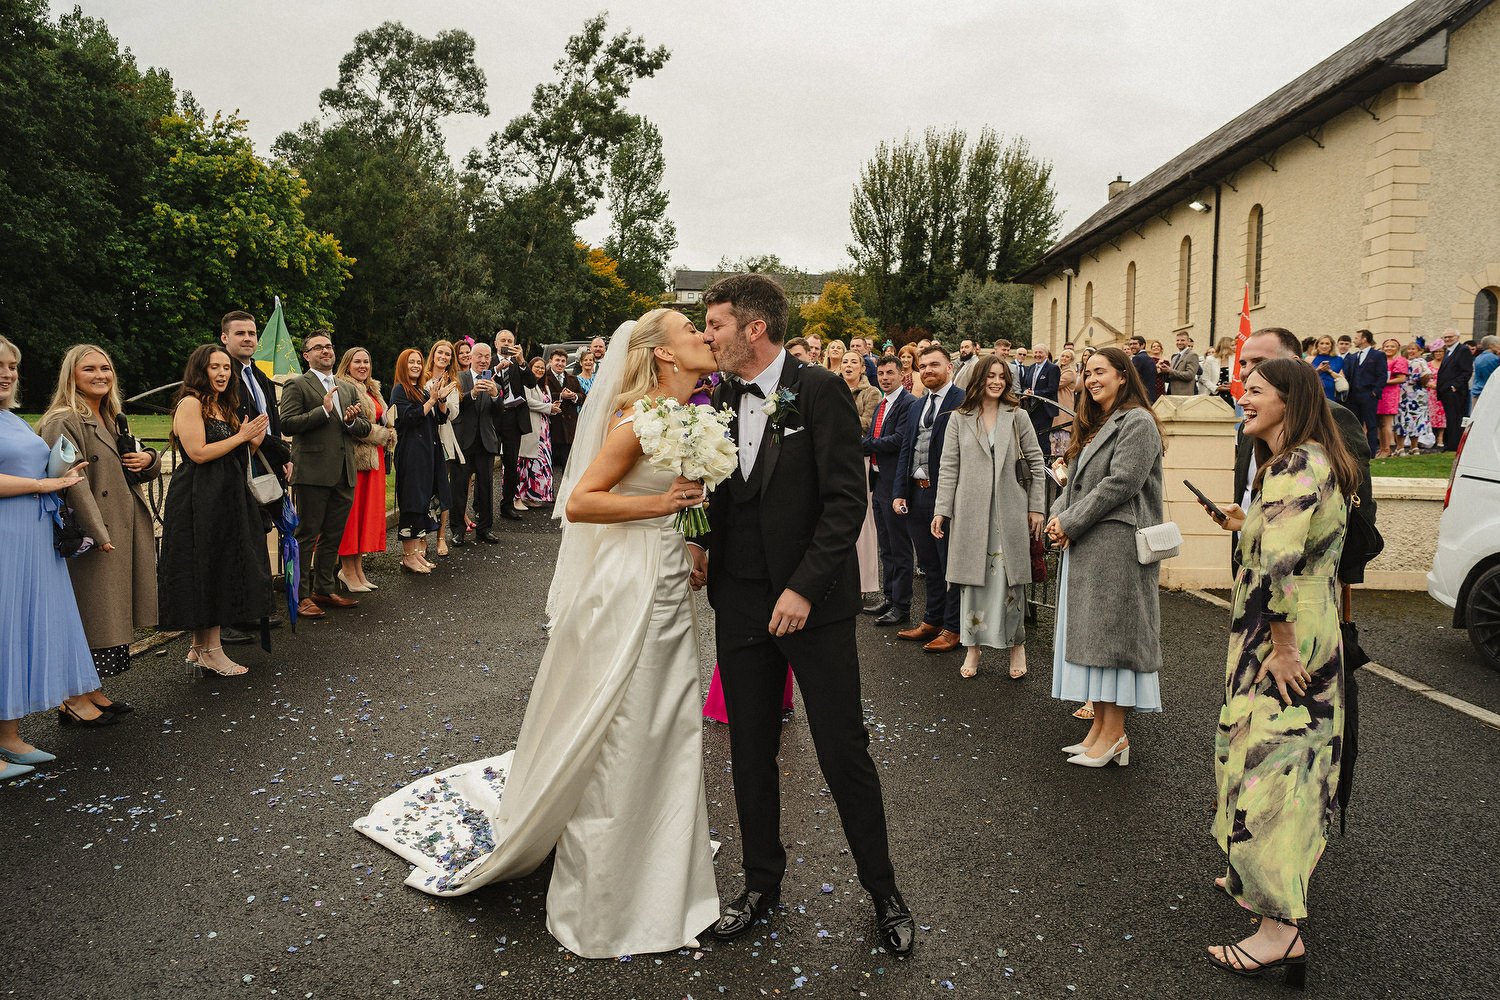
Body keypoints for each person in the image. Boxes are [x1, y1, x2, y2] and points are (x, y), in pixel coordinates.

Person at [357, 308, 721, 959]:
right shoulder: (637, 418)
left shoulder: (688, 415)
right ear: (665, 355)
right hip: (629, 583)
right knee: (631, 718)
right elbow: (582, 501)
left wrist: (693, 542)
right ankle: (612, 889)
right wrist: (659, 506)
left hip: (668, 579)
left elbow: (684, 493)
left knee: (668, 722)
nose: (704, 338)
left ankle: (665, 865)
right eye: (692, 331)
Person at [697, 273, 914, 956]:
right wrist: (700, 543)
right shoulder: (722, 397)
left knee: (842, 748)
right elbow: (722, 493)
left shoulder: (820, 392)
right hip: (737, 598)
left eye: (717, 326)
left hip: (810, 608)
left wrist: (803, 589)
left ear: (753, 329)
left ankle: (884, 891)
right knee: (750, 749)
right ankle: (761, 884)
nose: (709, 337)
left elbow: (846, 503)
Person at [1201, 358, 1358, 985]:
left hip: (1286, 636)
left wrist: (1284, 648)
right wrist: (1245, 523)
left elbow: (1284, 567)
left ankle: (1279, 932)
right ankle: (1253, 876)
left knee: (1275, 770)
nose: (1244, 398)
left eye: (1256, 391)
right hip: (1294, 627)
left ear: (1288, 400)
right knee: (1263, 756)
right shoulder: (1309, 459)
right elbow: (1287, 541)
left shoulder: (1294, 465)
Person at [1045, 346, 1164, 767]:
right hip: (1092, 544)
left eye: (1100, 371)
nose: (1092, 379)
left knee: (1113, 640)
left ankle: (1114, 735)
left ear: (1122, 376)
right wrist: (1057, 519)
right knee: (1097, 639)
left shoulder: (1138, 422)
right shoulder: (1094, 424)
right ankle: (1099, 731)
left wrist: (1070, 522)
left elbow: (1121, 484)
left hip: (1118, 547)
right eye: (1087, 372)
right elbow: (1073, 485)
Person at [38, 344, 161, 719]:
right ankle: (72, 698)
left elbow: (134, 462)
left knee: (106, 612)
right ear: (71, 375)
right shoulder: (64, 419)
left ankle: (91, 689)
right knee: (90, 612)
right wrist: (97, 531)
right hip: (94, 533)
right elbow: (70, 479)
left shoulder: (111, 416)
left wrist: (149, 460)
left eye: (105, 368)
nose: (100, 375)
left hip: (122, 523)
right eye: (88, 369)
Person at [1, 335, 103, 773]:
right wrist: (47, 484)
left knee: (18, 632)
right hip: (6, 538)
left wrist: (60, 471)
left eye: (12, 366)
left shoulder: (12, 420)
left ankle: (9, 737)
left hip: (32, 536)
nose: (7, 374)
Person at [157, 345, 272, 676]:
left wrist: (251, 440)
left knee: (217, 565)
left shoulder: (222, 405)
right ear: (199, 371)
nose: (222, 373)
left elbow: (232, 451)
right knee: (204, 566)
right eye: (214, 367)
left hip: (225, 494)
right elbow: (198, 452)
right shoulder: (190, 403)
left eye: (226, 368)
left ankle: (200, 647)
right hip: (199, 497)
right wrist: (242, 438)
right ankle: (211, 650)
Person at [932, 354, 1046, 680]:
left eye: (1001, 377)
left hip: (1009, 512)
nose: (996, 382)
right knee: (974, 584)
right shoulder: (959, 418)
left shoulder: (1018, 416)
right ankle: (973, 648)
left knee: (1010, 584)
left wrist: (1036, 507)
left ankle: (1016, 645)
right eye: (990, 376)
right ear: (978, 380)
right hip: (971, 514)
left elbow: (1036, 464)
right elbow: (949, 468)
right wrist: (942, 510)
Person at [280, 330, 371, 616]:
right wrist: (323, 410)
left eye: (329, 346)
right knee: (307, 534)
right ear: (306, 355)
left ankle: (324, 588)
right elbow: (288, 424)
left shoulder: (346, 388)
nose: (325, 351)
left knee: (333, 535)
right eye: (318, 348)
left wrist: (350, 422)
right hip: (313, 473)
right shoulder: (298, 385)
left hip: (344, 473)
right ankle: (300, 595)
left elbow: (365, 427)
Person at [219, 310, 290, 646]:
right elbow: (240, 427)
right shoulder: (223, 374)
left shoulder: (257, 375)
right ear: (224, 338)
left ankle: (251, 609)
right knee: (234, 540)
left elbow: (269, 423)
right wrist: (280, 452)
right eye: (240, 333)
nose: (248, 338)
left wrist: (280, 461)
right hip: (234, 466)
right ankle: (228, 619)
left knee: (257, 535)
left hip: (263, 464)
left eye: (251, 333)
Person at [892, 345, 964, 653]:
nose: (929, 370)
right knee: (930, 563)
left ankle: (954, 627)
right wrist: (898, 491)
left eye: (935, 364)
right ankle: (932, 619)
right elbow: (907, 449)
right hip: (916, 492)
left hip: (946, 494)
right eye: (924, 366)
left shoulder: (961, 401)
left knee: (951, 565)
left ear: (950, 368)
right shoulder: (916, 406)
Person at [332, 347, 394, 590]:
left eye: (366, 362)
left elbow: (383, 417)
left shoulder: (372, 388)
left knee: (367, 516)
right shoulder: (344, 387)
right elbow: (350, 423)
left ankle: (358, 570)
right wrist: (382, 434)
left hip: (374, 459)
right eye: (357, 361)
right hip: (356, 460)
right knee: (352, 516)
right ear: (347, 364)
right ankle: (347, 570)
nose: (362, 366)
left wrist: (389, 432)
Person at [862, 355, 915, 626]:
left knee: (900, 547)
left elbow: (899, 440)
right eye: (881, 373)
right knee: (886, 546)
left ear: (901, 374)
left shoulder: (908, 404)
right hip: (879, 482)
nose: (884, 377)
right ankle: (889, 596)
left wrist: (865, 445)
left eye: (890, 373)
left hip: (896, 483)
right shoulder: (882, 404)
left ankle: (902, 605)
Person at [390, 348, 451, 574]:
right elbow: (409, 417)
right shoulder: (400, 390)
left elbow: (440, 418)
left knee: (422, 502)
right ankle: (407, 556)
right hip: (411, 454)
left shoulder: (420, 390)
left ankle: (416, 553)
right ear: (403, 366)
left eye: (418, 362)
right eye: (411, 362)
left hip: (428, 452)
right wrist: (432, 400)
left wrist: (440, 400)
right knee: (412, 503)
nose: (416, 365)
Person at [449, 342, 501, 545]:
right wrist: (472, 394)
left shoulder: (494, 383)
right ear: (470, 357)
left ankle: (485, 529)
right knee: (459, 488)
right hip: (463, 441)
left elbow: (499, 414)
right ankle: (457, 531)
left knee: (486, 488)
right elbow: (455, 407)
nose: (483, 360)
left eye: (487, 357)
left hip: (486, 442)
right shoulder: (459, 379)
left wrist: (496, 396)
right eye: (479, 356)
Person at [493, 329, 537, 519]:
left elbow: (532, 383)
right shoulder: (489, 361)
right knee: (484, 464)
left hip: (513, 418)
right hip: (492, 418)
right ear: (495, 343)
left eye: (510, 340)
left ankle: (507, 504)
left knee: (511, 464)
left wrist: (521, 362)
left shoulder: (518, 364)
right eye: (503, 340)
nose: (506, 343)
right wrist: (496, 370)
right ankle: (480, 507)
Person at [425, 340, 464, 556]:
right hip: (424, 437)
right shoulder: (422, 377)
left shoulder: (453, 382)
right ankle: (421, 538)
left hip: (444, 438)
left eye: (448, 354)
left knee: (443, 489)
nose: (444, 357)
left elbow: (455, 413)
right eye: (440, 352)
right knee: (423, 490)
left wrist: (443, 400)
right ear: (433, 354)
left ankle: (441, 537)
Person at [517, 356, 555, 506]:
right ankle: (524, 495)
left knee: (541, 463)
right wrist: (549, 407)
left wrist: (553, 407)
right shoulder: (527, 383)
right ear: (530, 368)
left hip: (544, 429)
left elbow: (546, 403)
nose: (539, 370)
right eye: (536, 367)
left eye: (542, 367)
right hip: (531, 426)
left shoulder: (544, 386)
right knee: (528, 463)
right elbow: (528, 402)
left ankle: (534, 496)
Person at [1343, 329, 1387, 455]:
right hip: (1353, 396)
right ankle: (1356, 450)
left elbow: (1382, 375)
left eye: (1357, 338)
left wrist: (1375, 392)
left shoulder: (1377, 355)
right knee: (1355, 424)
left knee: (1371, 424)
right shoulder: (1353, 357)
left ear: (1364, 339)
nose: (1354, 340)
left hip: (1369, 394)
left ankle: (1372, 451)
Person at [544, 348, 583, 477]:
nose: (560, 363)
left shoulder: (572, 378)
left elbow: (583, 397)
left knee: (568, 468)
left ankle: (567, 494)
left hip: (569, 429)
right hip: (552, 427)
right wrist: (560, 395)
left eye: (563, 361)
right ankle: (549, 495)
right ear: (550, 361)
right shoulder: (544, 377)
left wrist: (574, 396)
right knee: (549, 468)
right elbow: (541, 396)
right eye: (557, 360)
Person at [1018, 345, 1060, 457]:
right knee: (1031, 437)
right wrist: (1026, 391)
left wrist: (1034, 393)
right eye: (1035, 352)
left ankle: (1045, 464)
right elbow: (1025, 384)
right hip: (1031, 409)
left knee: (1043, 439)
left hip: (1045, 410)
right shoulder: (1031, 368)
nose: (1037, 355)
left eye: (1040, 352)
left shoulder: (1053, 368)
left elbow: (1052, 389)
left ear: (1046, 354)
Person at [1435, 328, 1473, 451]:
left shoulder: (1463, 350)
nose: (1447, 339)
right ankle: (1450, 443)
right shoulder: (1448, 351)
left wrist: (1455, 386)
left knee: (1456, 418)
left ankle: (1454, 445)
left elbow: (1466, 371)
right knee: (1450, 418)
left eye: (1450, 337)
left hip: (1455, 392)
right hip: (1446, 391)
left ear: (1457, 337)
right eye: (1445, 337)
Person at [1395, 341, 1433, 455]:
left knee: (1404, 419)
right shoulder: (1415, 362)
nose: (1410, 351)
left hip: (1410, 394)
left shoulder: (1417, 362)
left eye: (1413, 349)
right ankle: (1413, 447)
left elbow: (1426, 375)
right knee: (1415, 419)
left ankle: (1401, 447)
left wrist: (1422, 383)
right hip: (1414, 394)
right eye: (1409, 349)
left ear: (1420, 351)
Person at [1374, 338, 1407, 458]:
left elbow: (1402, 378)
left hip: (1390, 393)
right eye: (1386, 346)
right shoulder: (1380, 360)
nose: (1389, 348)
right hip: (1378, 392)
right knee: (1380, 423)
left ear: (1397, 348)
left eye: (1392, 346)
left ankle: (1387, 448)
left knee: (1386, 422)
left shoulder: (1399, 360)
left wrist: (1384, 381)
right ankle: (1382, 448)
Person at [1053, 347, 1080, 457]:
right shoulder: (1059, 369)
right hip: (1057, 404)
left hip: (1064, 404)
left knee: (1062, 435)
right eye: (1063, 356)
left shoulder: (1069, 372)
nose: (1064, 358)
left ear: (1071, 360)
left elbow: (1056, 384)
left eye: (1067, 357)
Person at [1161, 331, 1201, 396]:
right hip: (1171, 393)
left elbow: (1189, 375)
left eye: (1182, 340)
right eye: (1177, 340)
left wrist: (1170, 370)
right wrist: (1163, 370)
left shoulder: (1192, 355)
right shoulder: (1175, 357)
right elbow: (1172, 376)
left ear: (1188, 341)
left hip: (1183, 395)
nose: (1179, 342)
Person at [1125, 336, 1160, 403]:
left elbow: (1129, 376)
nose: (1132, 346)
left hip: (1140, 397)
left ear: (1143, 345)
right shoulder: (1150, 359)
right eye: (1130, 344)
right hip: (1150, 397)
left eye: (1135, 344)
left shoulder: (1138, 358)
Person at [1309, 336, 1344, 400]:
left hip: (1331, 394)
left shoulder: (1338, 359)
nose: (1324, 346)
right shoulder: (1309, 359)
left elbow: (1341, 378)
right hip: (1314, 392)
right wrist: (1318, 370)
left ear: (1331, 346)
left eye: (1327, 343)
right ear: (1317, 345)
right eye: (1321, 343)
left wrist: (1329, 370)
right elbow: (1306, 377)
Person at [1473, 335, 1500, 404]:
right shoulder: (1493, 358)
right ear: (1492, 345)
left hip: (1477, 391)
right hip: (1487, 394)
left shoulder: (1479, 357)